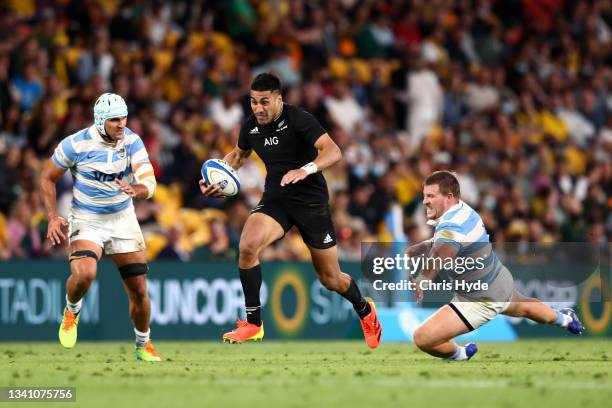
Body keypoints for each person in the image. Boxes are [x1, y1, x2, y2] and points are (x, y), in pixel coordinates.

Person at [200, 73, 382, 348]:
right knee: (248, 245)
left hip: (311, 203)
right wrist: (216, 178)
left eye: (264, 102)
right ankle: (253, 324)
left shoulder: (299, 119)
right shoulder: (250, 127)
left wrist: (305, 169)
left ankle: (365, 310)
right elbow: (237, 156)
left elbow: (333, 152)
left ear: (278, 99)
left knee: (331, 279)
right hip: (277, 199)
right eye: (253, 102)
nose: (258, 109)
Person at [408, 170, 584, 361]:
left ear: (449, 197)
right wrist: (425, 245)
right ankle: (565, 319)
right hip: (497, 279)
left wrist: (422, 279)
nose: (425, 201)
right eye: (425, 196)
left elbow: (442, 254)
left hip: (479, 299)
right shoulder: (462, 209)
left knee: (422, 338)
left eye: (430, 196)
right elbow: (450, 240)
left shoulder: (451, 225)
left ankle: (461, 354)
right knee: (525, 308)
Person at [40, 93, 161, 362]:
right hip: (86, 218)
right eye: (115, 120)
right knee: (84, 274)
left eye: (124, 118)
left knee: (139, 290)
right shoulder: (75, 144)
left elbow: (149, 182)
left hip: (122, 219)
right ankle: (72, 311)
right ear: (99, 121)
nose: (122, 124)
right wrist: (51, 215)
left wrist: (137, 189)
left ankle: (143, 345)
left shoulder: (132, 141)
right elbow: (47, 177)